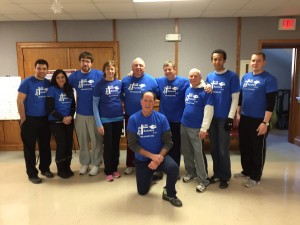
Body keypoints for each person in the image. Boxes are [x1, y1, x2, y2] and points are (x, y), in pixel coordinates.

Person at [127, 91, 182, 207]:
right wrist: (153, 157)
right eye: (145, 100)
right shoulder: (133, 119)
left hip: (159, 156)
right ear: (141, 102)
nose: (148, 103)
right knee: (142, 192)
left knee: (173, 168)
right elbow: (132, 144)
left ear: (154, 102)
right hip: (143, 159)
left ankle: (169, 193)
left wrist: (159, 158)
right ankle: (152, 175)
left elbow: (168, 142)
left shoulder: (161, 118)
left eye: (150, 100)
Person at [234, 52, 278, 188]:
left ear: (264, 62)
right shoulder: (245, 77)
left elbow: (271, 103)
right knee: (245, 147)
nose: (255, 63)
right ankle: (246, 171)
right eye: (253, 61)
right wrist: (238, 114)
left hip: (260, 120)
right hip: (245, 118)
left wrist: (265, 122)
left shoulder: (269, 79)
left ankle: (255, 176)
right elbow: (241, 97)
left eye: (258, 61)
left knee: (257, 149)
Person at [206, 49, 240, 189]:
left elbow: (235, 98)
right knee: (214, 148)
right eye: (214, 59)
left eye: (220, 59)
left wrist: (230, 117)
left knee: (223, 149)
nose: (217, 61)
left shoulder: (232, 76)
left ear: (224, 60)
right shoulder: (209, 76)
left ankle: (225, 176)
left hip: (224, 119)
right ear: (212, 60)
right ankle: (217, 174)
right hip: (212, 119)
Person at [17, 59, 53, 184]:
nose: (41, 71)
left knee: (45, 146)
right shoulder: (27, 82)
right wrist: (23, 119)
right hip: (29, 119)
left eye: (44, 68)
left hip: (44, 120)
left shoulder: (48, 83)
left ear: (47, 70)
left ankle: (45, 169)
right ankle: (32, 174)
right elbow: (20, 101)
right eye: (39, 68)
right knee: (29, 148)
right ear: (35, 68)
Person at [68, 51, 104, 176]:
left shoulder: (99, 74)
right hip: (80, 113)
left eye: (87, 61)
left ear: (91, 63)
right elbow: (61, 86)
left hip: (95, 114)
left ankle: (96, 164)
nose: (85, 63)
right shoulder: (74, 76)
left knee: (96, 140)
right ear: (80, 62)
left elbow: (113, 80)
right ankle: (84, 163)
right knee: (82, 140)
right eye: (83, 61)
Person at [122, 57, 159, 175]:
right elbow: (121, 96)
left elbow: (157, 95)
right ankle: (130, 164)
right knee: (131, 141)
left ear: (144, 67)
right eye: (136, 65)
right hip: (130, 117)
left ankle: (148, 163)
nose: (138, 67)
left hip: (147, 117)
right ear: (132, 67)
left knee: (148, 140)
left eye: (141, 65)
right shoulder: (125, 80)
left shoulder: (151, 80)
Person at [181, 68, 213, 193]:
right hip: (184, 125)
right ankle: (191, 172)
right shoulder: (188, 89)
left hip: (196, 128)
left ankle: (203, 180)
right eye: (191, 76)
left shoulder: (206, 91)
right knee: (187, 151)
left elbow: (209, 111)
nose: (193, 78)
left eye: (195, 76)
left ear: (200, 77)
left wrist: (204, 128)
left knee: (198, 154)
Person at [155, 61, 190, 175]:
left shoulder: (184, 82)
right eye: (165, 70)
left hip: (177, 120)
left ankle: (174, 170)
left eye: (169, 69)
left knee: (175, 146)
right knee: (162, 145)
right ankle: (160, 169)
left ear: (175, 69)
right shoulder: (159, 81)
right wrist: (131, 73)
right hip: (163, 120)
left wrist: (207, 86)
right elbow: (146, 82)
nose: (167, 71)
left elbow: (197, 83)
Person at [93, 60, 123, 182]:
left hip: (118, 119)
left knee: (116, 145)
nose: (110, 71)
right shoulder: (99, 85)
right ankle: (108, 171)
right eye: (108, 69)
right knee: (108, 146)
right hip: (105, 120)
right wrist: (99, 123)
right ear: (104, 71)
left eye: (112, 69)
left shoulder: (120, 83)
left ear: (115, 70)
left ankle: (115, 169)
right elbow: (94, 105)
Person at [46, 69, 76, 179]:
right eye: (58, 77)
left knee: (69, 145)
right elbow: (49, 108)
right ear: (55, 79)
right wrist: (62, 118)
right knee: (62, 145)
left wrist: (70, 116)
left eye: (62, 77)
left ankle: (67, 167)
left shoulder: (69, 90)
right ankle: (61, 169)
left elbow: (73, 106)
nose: (60, 79)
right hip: (56, 122)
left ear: (65, 78)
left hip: (68, 121)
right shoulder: (51, 89)